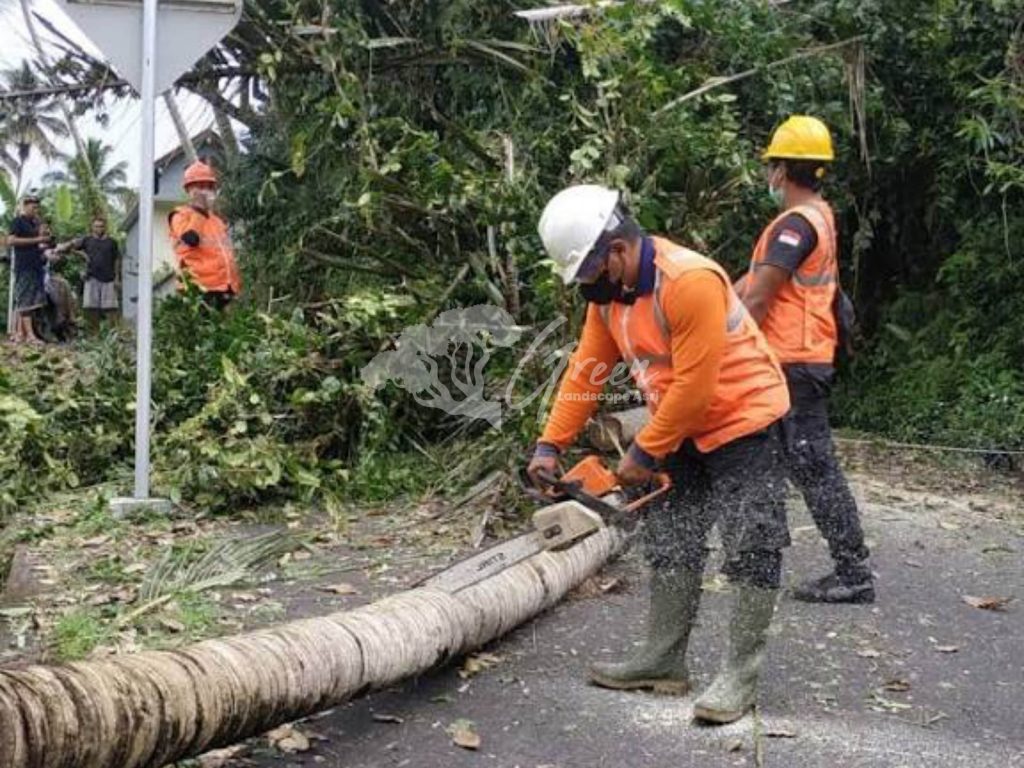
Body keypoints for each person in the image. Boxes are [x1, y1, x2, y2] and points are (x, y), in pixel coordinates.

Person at [526, 185, 792, 724]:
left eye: (586, 273)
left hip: (746, 419)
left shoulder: (688, 281)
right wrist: (549, 445)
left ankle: (740, 674)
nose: (584, 286)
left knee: (751, 540)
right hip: (680, 427)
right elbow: (586, 373)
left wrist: (644, 451)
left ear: (617, 252)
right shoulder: (610, 303)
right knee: (672, 537)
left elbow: (697, 385)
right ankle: (664, 658)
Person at [737, 116, 874, 604]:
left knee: (813, 464)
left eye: (771, 167)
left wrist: (721, 342)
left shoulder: (795, 225)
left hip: (792, 362)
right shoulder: (819, 214)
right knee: (773, 461)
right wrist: (713, 300)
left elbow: (759, 298)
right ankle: (759, 558)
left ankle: (853, 572)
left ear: (780, 171)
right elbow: (750, 287)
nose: (768, 177)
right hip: (798, 360)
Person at [168, 160, 242, 308]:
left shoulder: (217, 221)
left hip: (225, 288)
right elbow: (191, 239)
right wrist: (199, 211)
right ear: (189, 190)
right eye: (200, 186)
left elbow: (226, 254)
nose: (206, 191)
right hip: (199, 290)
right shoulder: (180, 215)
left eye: (209, 186)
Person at [58, 216, 120, 331]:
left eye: (101, 226)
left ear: (105, 227)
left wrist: (117, 278)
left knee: (111, 308)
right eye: (96, 226)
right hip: (91, 277)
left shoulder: (112, 242)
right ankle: (94, 335)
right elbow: (69, 248)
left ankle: (114, 334)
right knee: (92, 308)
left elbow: (116, 260)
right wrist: (80, 254)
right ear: (92, 227)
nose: (99, 229)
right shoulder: (86, 240)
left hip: (109, 278)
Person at [7, 194, 50, 344]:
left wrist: (43, 243)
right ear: (25, 206)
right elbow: (11, 240)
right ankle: (30, 336)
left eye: (37, 207)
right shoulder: (18, 221)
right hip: (23, 265)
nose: (36, 210)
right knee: (24, 300)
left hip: (36, 265)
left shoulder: (35, 223)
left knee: (32, 301)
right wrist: (37, 240)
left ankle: (20, 333)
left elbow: (39, 243)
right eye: (33, 207)